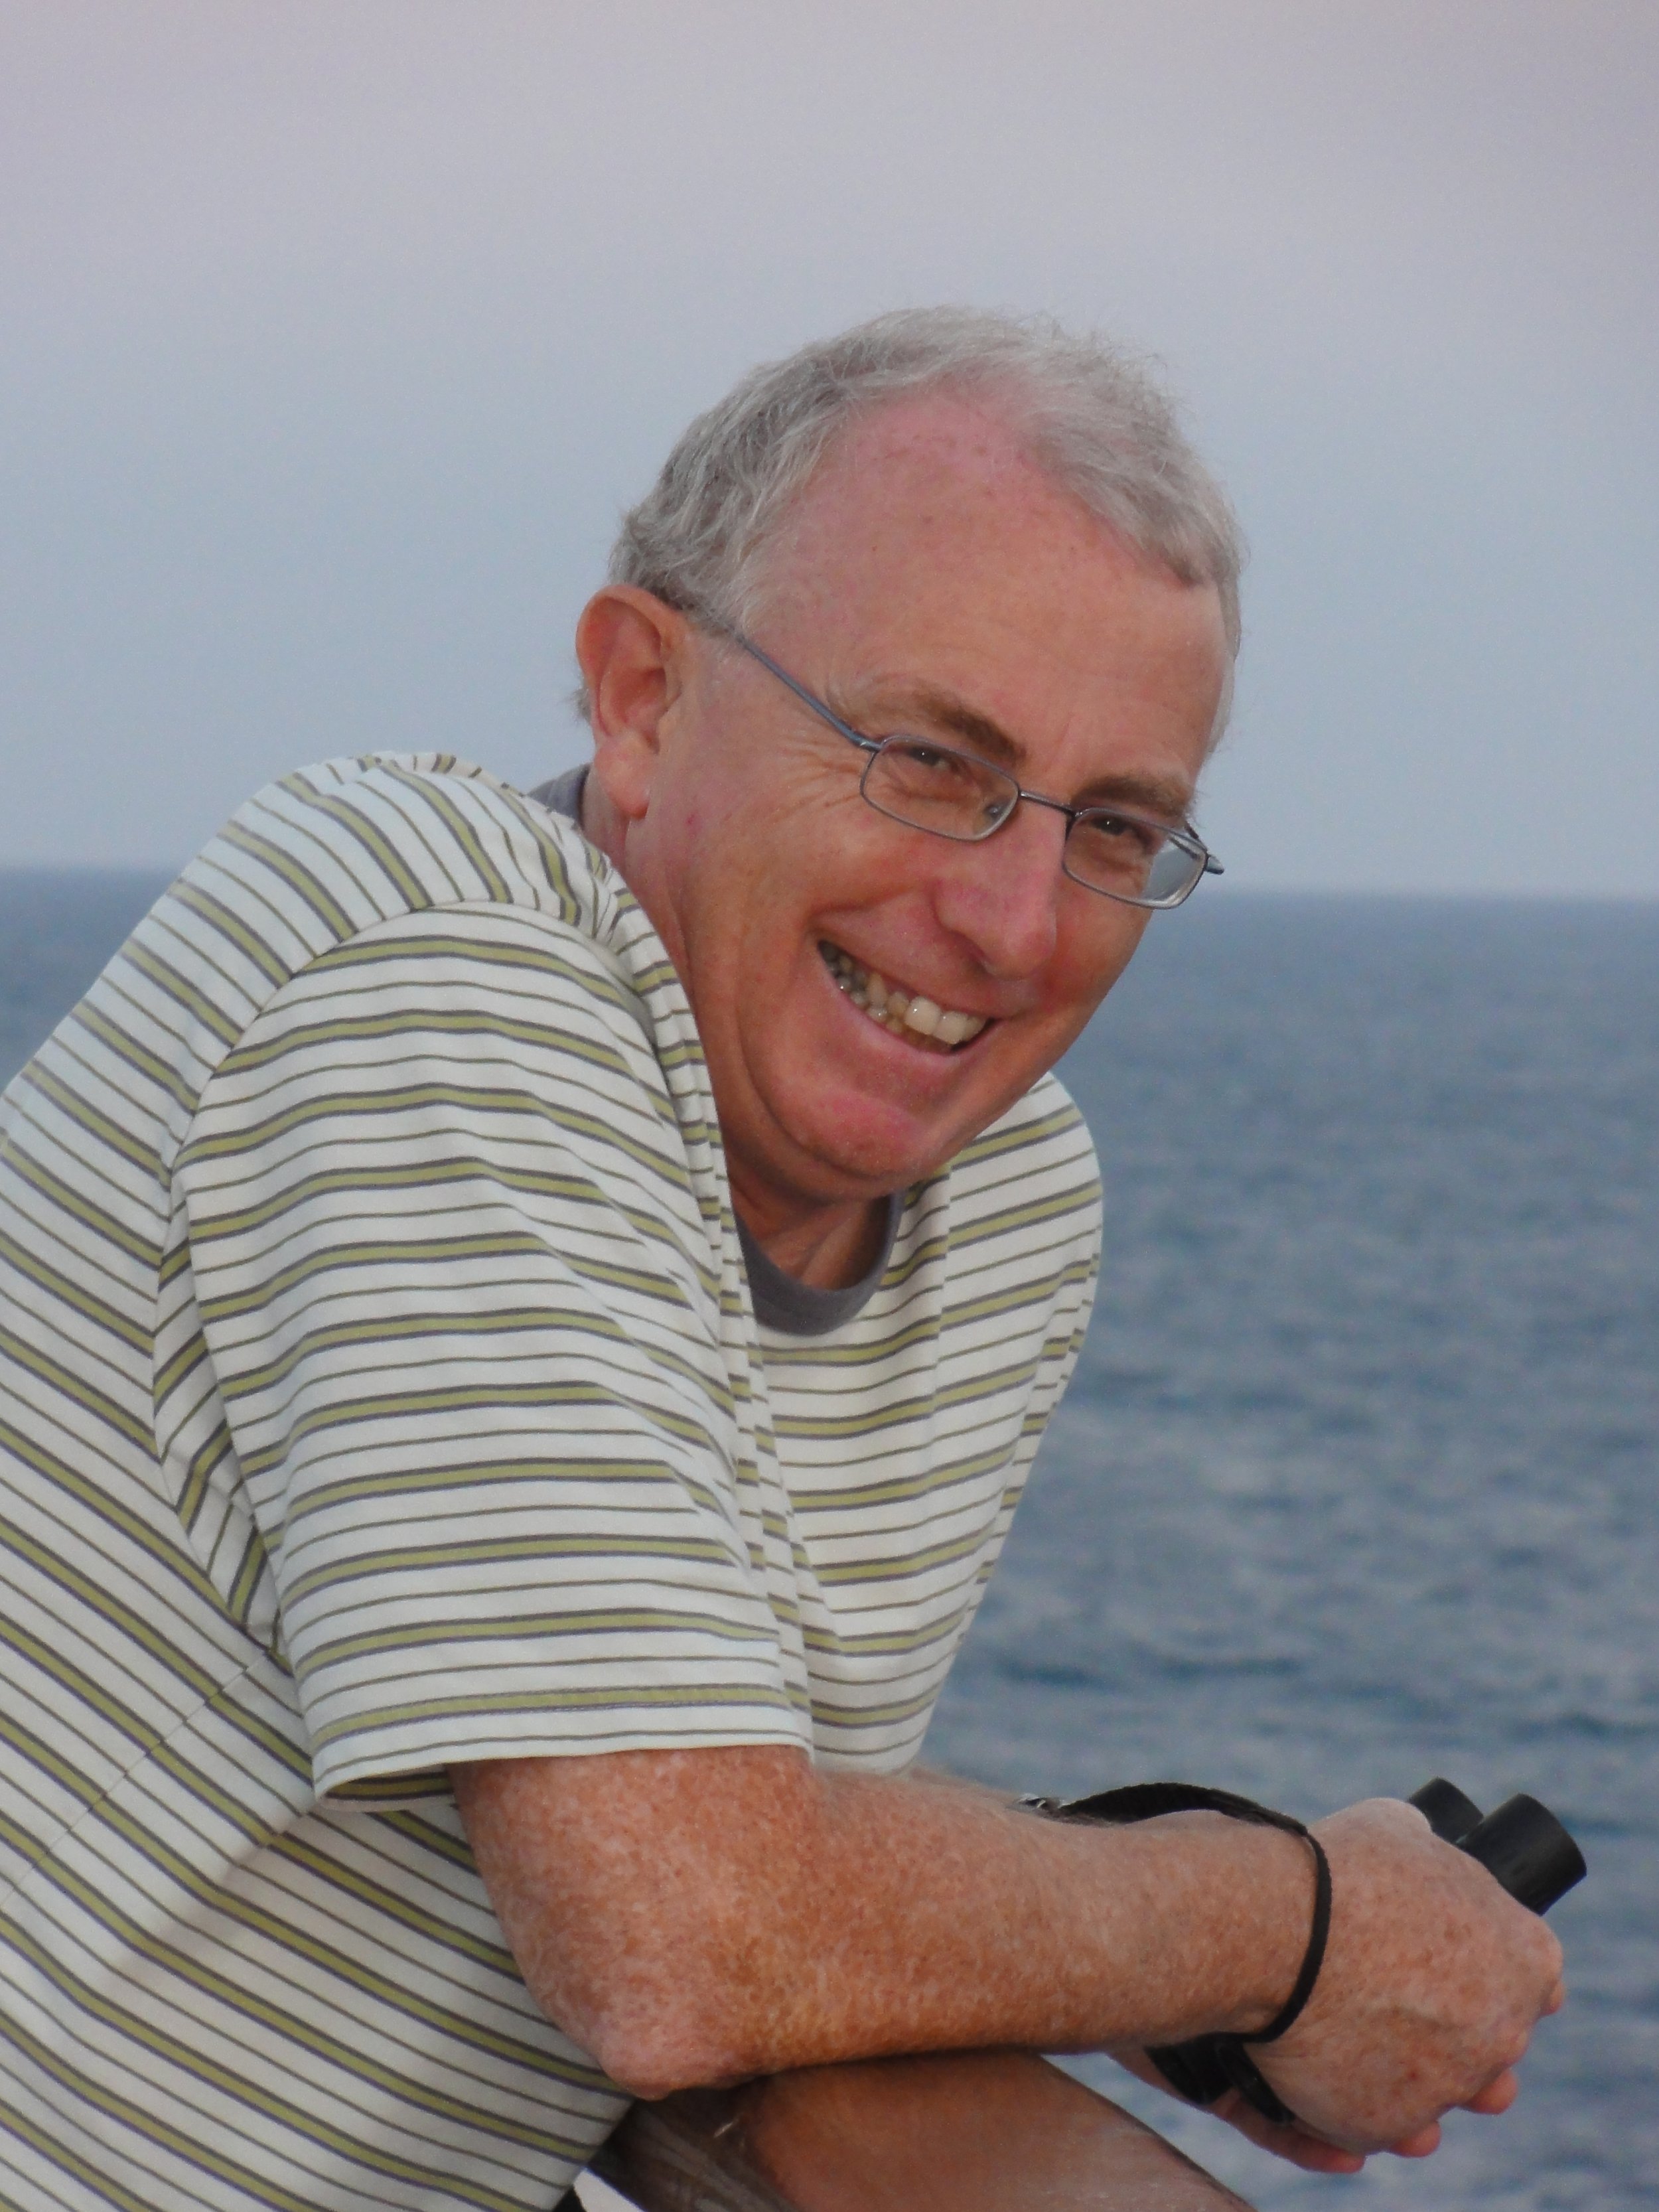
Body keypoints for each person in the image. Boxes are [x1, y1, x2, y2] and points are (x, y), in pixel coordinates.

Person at [0, 309, 1561, 2212]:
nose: (1006, 921)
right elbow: (685, 1935)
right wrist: (1288, 1928)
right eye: (927, 761)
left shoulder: (999, 1196)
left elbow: (724, 1864)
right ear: (641, 697)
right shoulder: (429, 963)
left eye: (1116, 827)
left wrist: (1150, 1950)